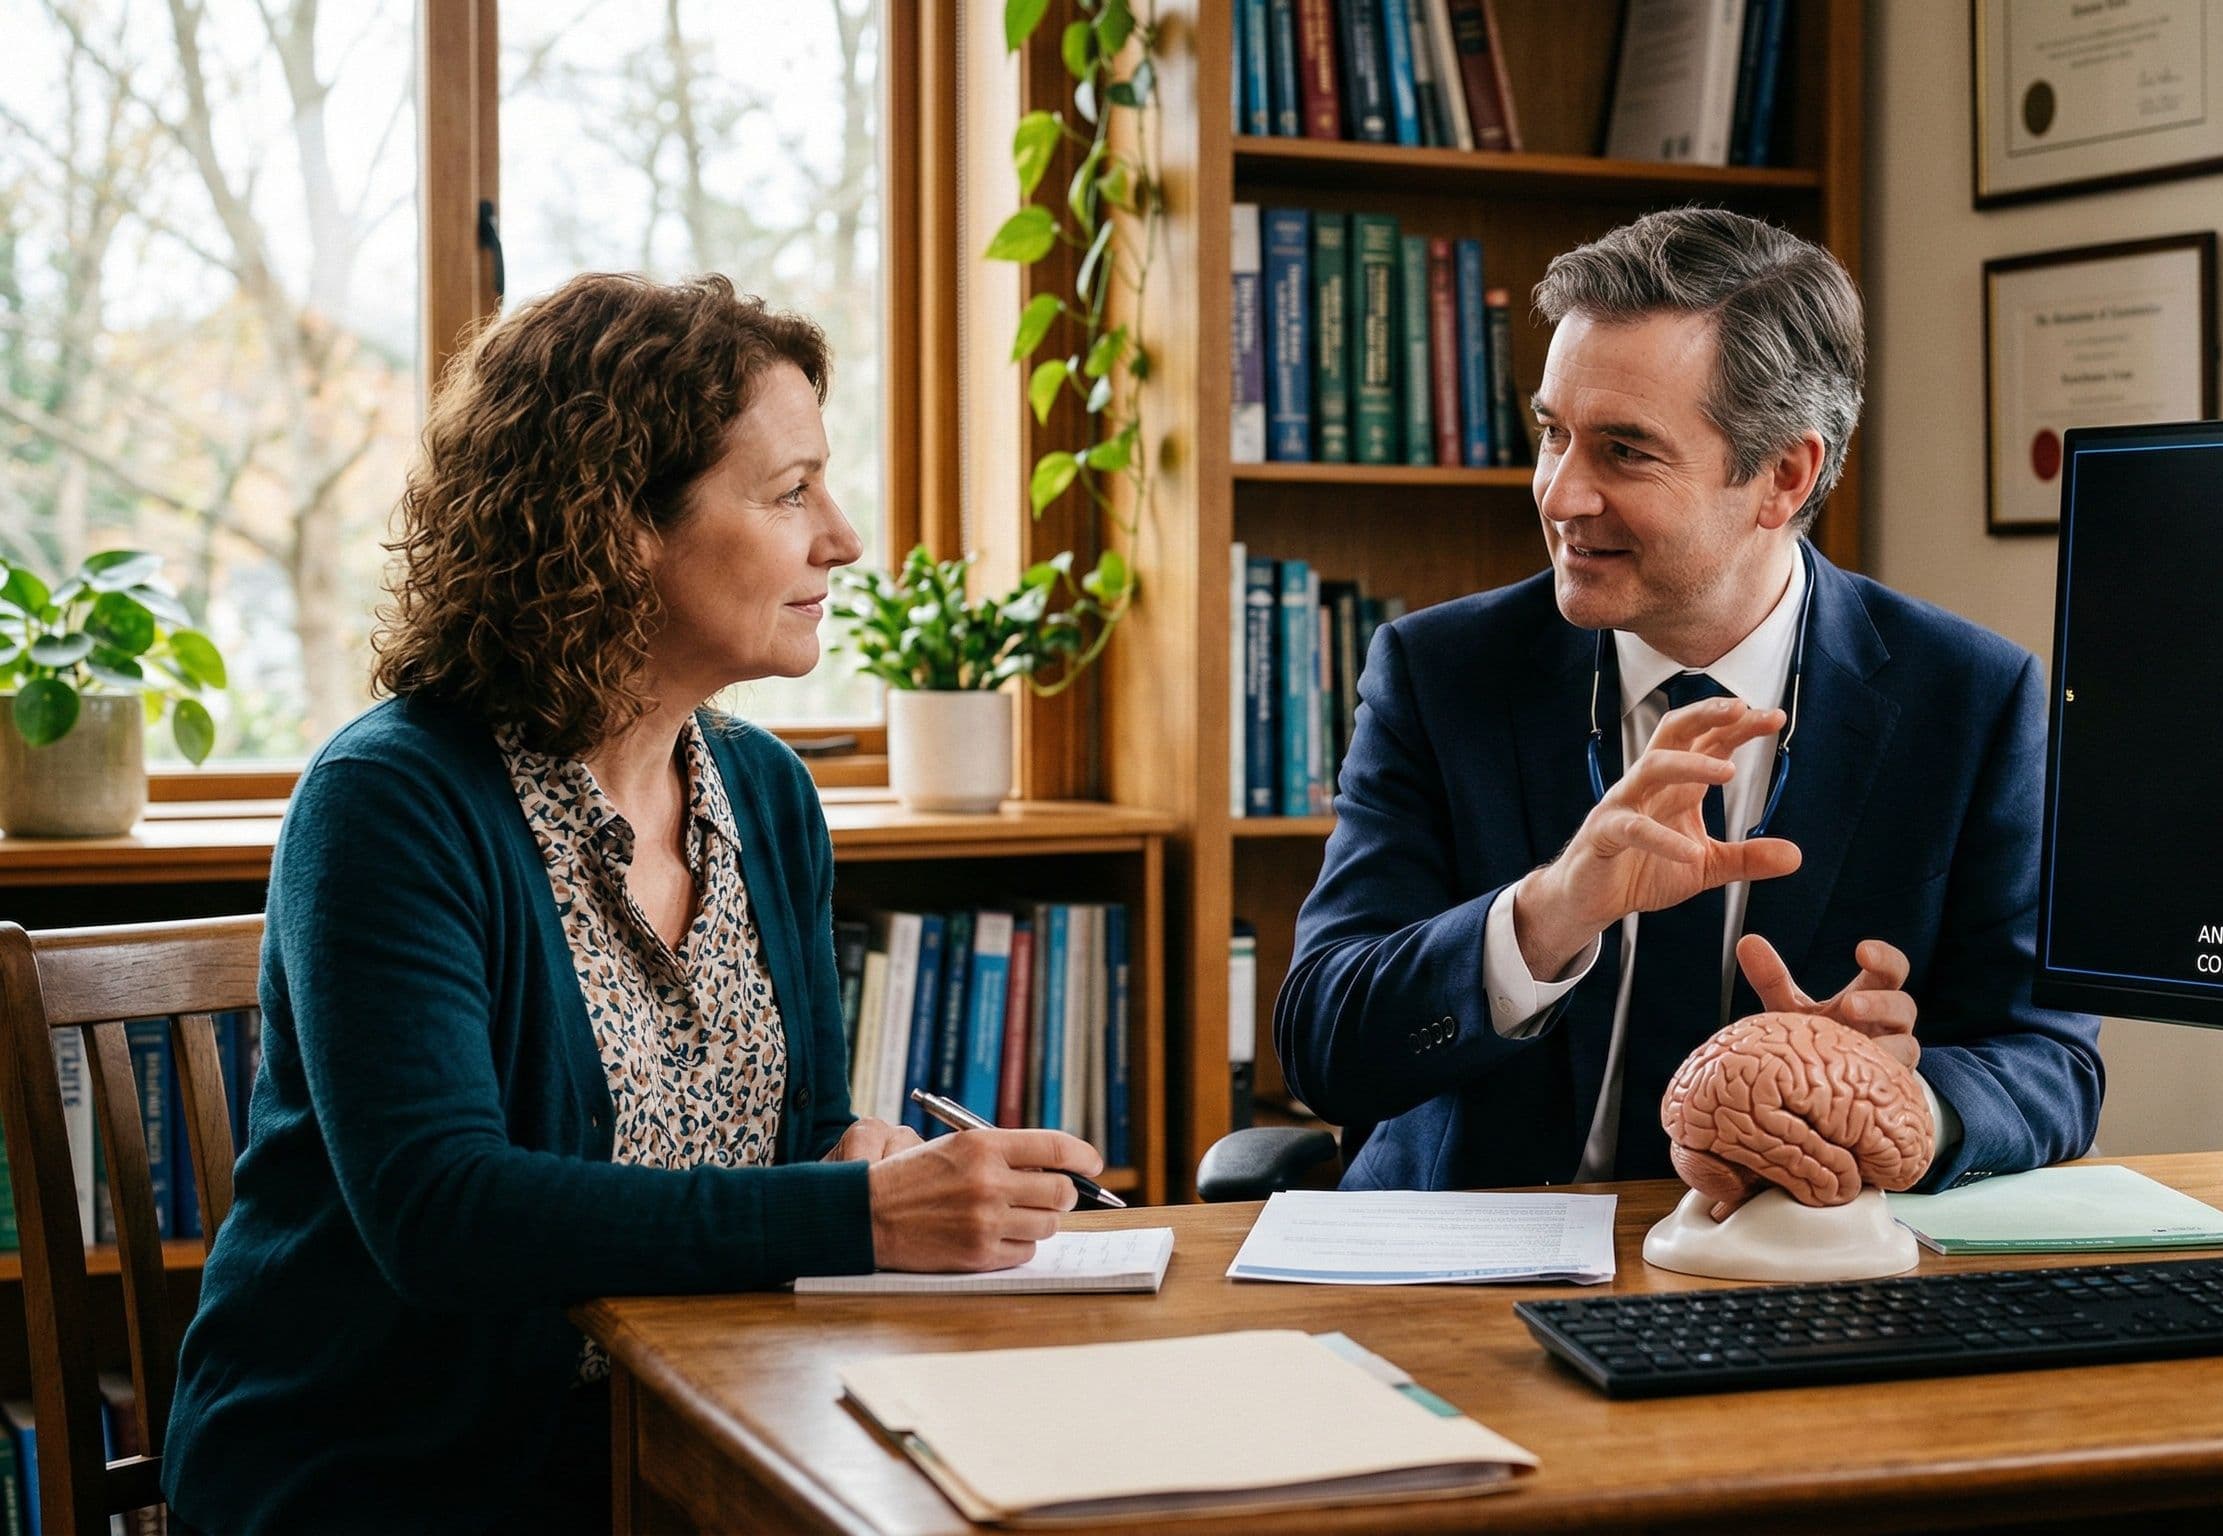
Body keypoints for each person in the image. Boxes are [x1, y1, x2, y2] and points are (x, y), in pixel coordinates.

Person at [162, 274, 1104, 1533]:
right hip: (394, 1477)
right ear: (613, 529)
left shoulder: (766, 794)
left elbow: (793, 1141)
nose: (843, 536)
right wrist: (859, 1212)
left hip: (697, 1438)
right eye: (789, 492)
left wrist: (856, 1158)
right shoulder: (388, 802)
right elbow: (445, 1215)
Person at [1276, 209, 2102, 1192]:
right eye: (1552, 433)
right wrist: (1545, 916)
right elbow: (1323, 1044)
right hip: (1470, 1268)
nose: (1560, 495)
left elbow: (2052, 1064)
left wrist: (1892, 1094)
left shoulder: (1970, 697)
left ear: (1781, 477)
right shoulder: (1440, 670)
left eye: (1624, 450)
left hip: (1796, 1275)